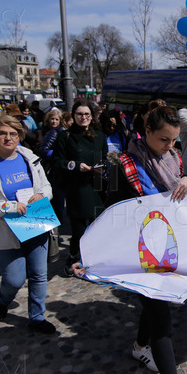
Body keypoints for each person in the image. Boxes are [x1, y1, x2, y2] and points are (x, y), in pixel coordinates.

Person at [100, 105, 187, 374]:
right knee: (160, 314)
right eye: (163, 140)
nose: (170, 146)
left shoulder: (174, 158)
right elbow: (111, 209)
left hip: (170, 245)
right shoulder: (125, 164)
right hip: (141, 252)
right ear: (146, 132)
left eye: (174, 140)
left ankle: (139, 347)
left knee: (153, 307)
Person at [0, 114, 57, 334]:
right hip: (6, 230)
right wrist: (5, 206)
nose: (8, 138)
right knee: (14, 279)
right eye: (2, 133)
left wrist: (42, 195)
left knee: (38, 274)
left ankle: (36, 317)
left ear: (19, 136)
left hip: (35, 223)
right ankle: (4, 300)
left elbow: (47, 187)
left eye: (13, 134)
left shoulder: (30, 159)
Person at [52, 101, 108, 274]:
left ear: (92, 116)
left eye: (86, 114)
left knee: (96, 226)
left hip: (97, 186)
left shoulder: (99, 136)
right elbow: (57, 161)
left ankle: (93, 260)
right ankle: (73, 258)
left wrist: (103, 166)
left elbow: (105, 157)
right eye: (79, 114)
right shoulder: (65, 137)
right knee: (79, 229)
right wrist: (74, 165)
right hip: (77, 188)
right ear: (73, 116)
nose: (83, 117)